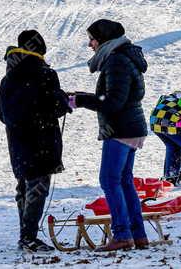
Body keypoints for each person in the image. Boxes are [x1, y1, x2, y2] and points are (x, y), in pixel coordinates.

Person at [71, 19, 149, 251]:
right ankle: (138, 234)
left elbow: (113, 101)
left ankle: (123, 234)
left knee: (109, 180)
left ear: (103, 40)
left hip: (121, 129)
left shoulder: (116, 61)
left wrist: (81, 100)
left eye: (92, 39)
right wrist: (81, 96)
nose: (90, 44)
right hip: (130, 128)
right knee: (124, 181)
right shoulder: (121, 58)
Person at [0, 29, 71, 253]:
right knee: (37, 188)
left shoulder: (8, 77)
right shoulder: (45, 74)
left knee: (24, 187)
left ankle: (25, 234)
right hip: (42, 140)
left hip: (18, 142)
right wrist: (62, 99)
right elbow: (55, 107)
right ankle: (29, 237)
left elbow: (2, 113)